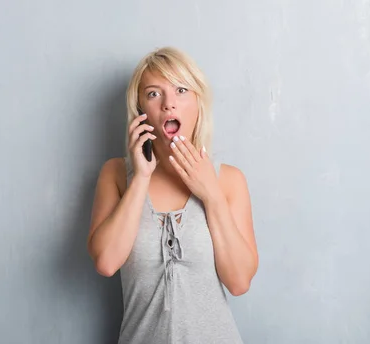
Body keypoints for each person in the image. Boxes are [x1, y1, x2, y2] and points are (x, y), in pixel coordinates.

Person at [87, 47, 258, 344]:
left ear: (198, 103)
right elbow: (106, 262)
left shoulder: (230, 181)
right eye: (154, 94)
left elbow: (239, 281)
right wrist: (141, 176)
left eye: (181, 90)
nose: (169, 104)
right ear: (141, 109)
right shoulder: (115, 175)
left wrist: (211, 195)